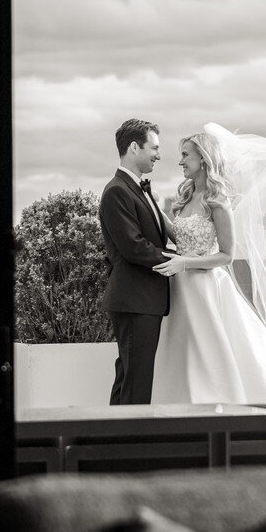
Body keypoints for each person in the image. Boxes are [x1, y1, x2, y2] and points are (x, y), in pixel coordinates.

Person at [150, 123, 266, 404]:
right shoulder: (186, 197)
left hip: (205, 287)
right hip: (180, 288)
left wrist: (184, 264)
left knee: (214, 355)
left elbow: (226, 254)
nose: (181, 161)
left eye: (186, 154)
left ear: (203, 159)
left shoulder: (218, 202)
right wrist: (152, 207)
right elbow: (182, 235)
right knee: (182, 353)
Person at [98, 118, 172, 405]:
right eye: (153, 147)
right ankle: (129, 444)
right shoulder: (118, 190)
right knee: (136, 382)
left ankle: (114, 444)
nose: (158, 154)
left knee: (130, 378)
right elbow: (133, 247)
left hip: (142, 300)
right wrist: (179, 261)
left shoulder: (136, 188)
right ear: (133, 147)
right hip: (134, 300)